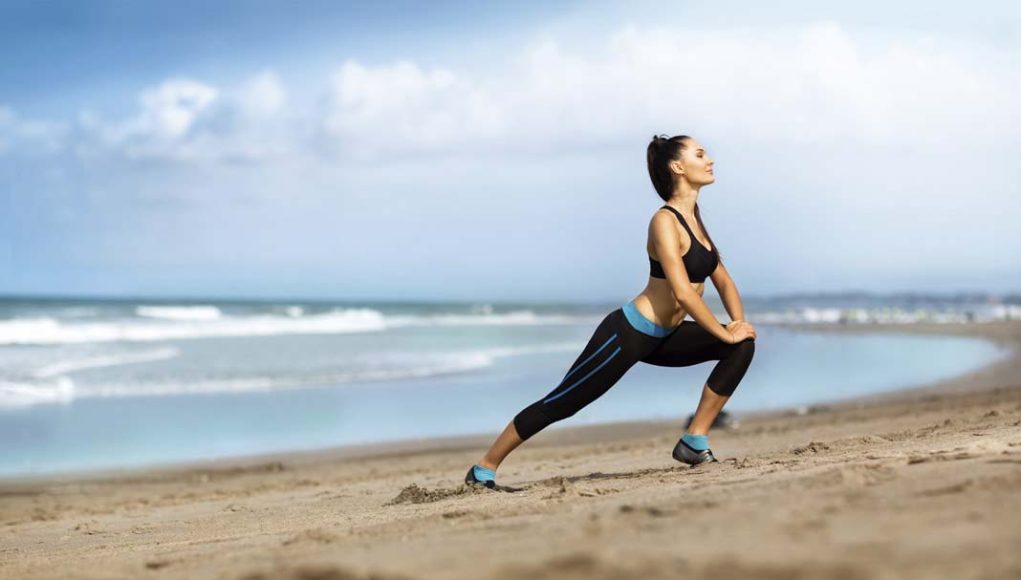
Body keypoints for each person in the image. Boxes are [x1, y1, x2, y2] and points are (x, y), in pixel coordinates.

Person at [466, 135, 757, 490]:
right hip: (630, 335)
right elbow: (682, 290)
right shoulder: (664, 221)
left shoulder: (695, 219)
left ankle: (693, 441)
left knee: (741, 346)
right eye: (700, 154)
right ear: (677, 167)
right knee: (562, 402)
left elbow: (724, 281)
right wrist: (724, 330)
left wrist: (738, 324)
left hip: (666, 336)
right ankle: (484, 468)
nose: (710, 159)